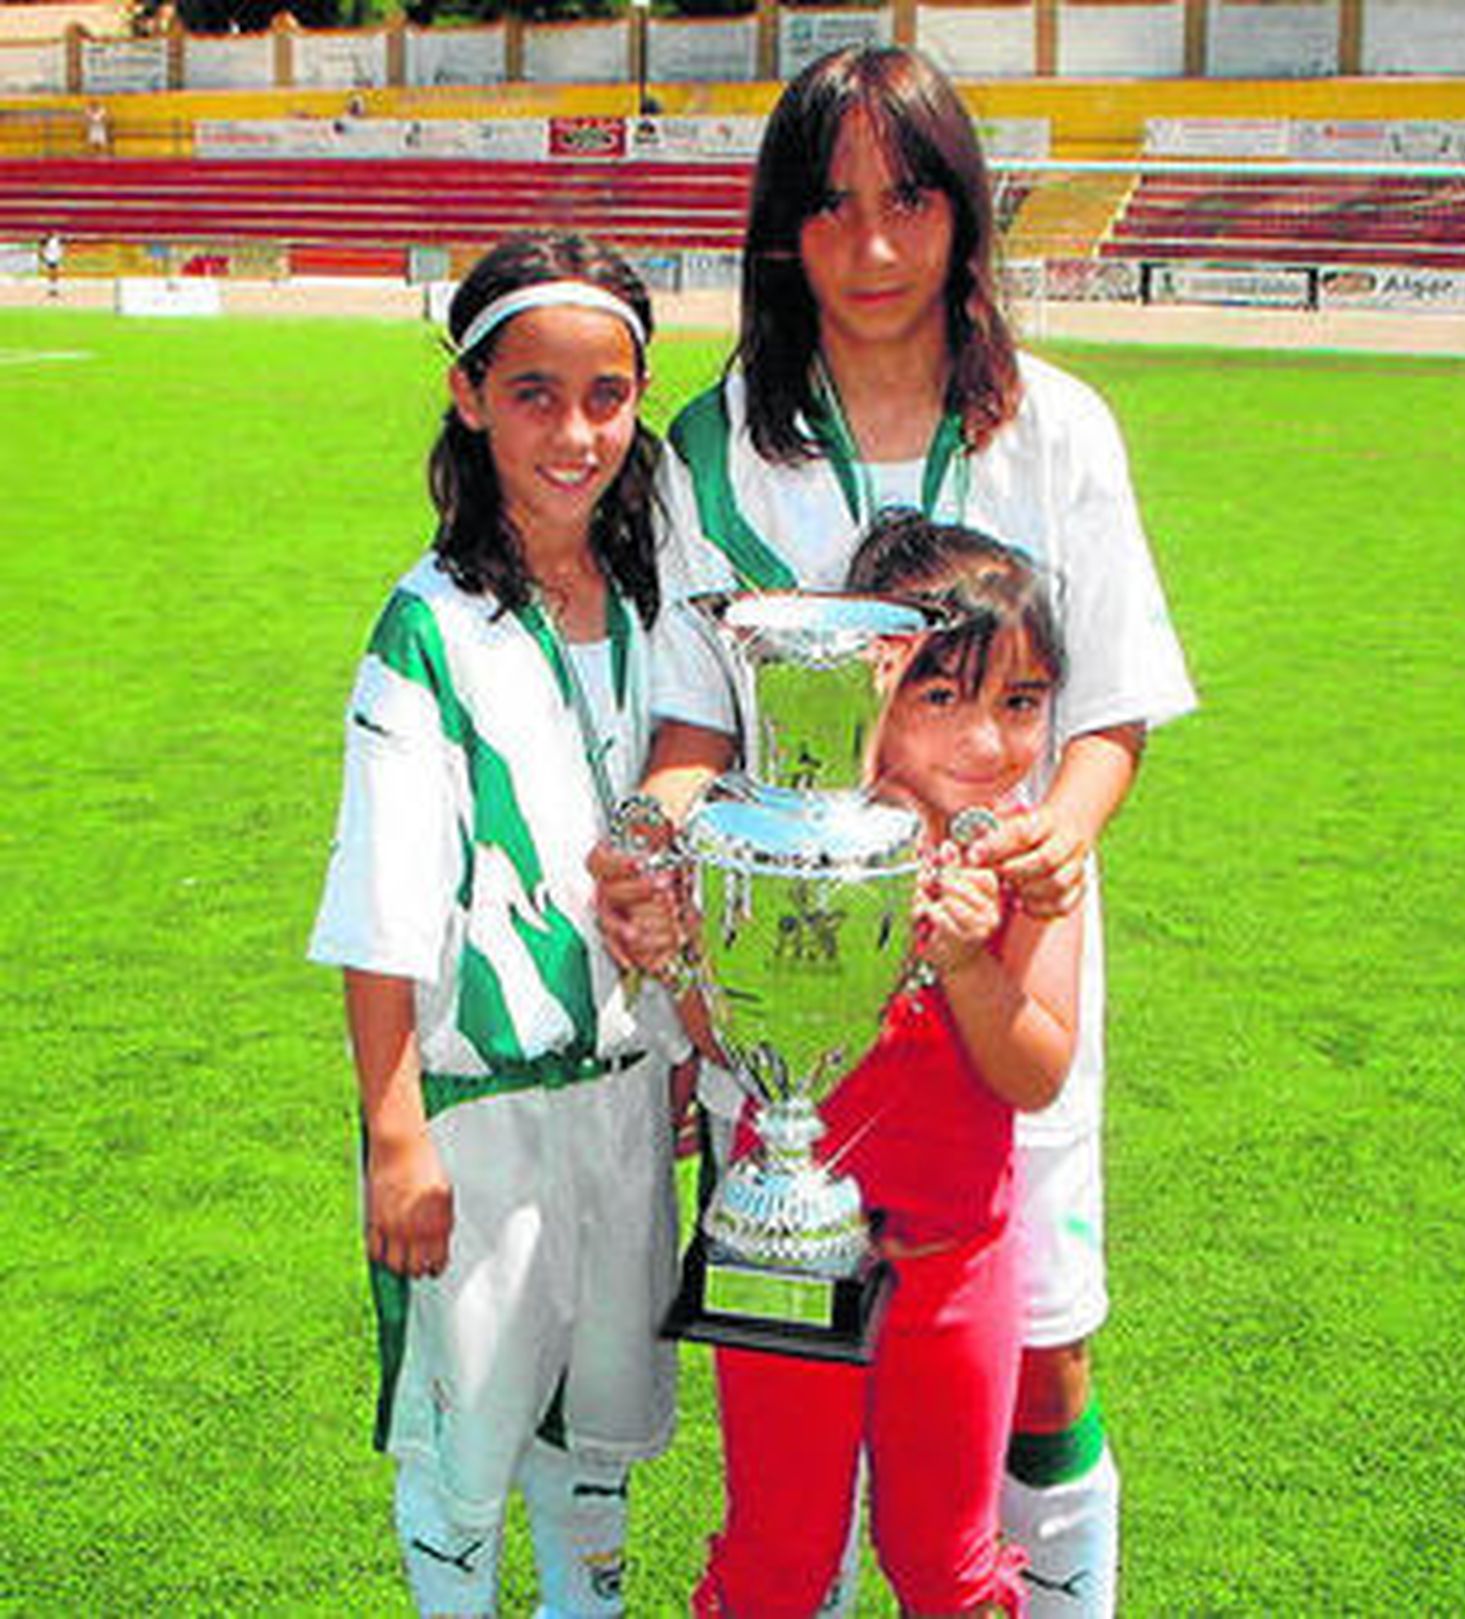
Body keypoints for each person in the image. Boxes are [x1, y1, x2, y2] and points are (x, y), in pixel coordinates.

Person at [592, 45, 1197, 1614]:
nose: (874, 248)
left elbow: (1110, 703)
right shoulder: (713, 445)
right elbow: (691, 727)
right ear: (781, 231)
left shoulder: (1058, 428)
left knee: (1041, 1356)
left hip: (1005, 964)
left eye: (912, 200)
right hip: (786, 1007)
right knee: (798, 1384)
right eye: (835, 206)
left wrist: (1054, 834)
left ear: (966, 216)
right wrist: (652, 853)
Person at [308, 231, 684, 1618]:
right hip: (478, 1115)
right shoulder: (428, 625)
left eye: (606, 394)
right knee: (463, 1449)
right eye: (533, 391)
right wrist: (397, 1130)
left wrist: (685, 1062)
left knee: (596, 1436)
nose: (575, 430)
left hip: (625, 1099)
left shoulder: (650, 603)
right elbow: (384, 897)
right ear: (468, 396)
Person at [690, 513, 1084, 1616]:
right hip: (786, 1257)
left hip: (955, 1266)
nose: (988, 740)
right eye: (942, 696)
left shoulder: (1034, 863)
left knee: (945, 1568)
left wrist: (964, 961)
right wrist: (696, 939)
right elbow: (724, 1029)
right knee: (778, 1558)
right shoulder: (793, 845)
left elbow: (1035, 1071)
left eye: (1020, 701)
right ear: (874, 691)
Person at [40, 231, 63, 297]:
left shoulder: (55, 240)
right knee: (53, 275)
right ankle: (53, 290)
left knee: (52, 275)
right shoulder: (49, 241)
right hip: (52, 259)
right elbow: (42, 250)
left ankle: (53, 290)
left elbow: (42, 250)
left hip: (53, 259)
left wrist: (43, 257)